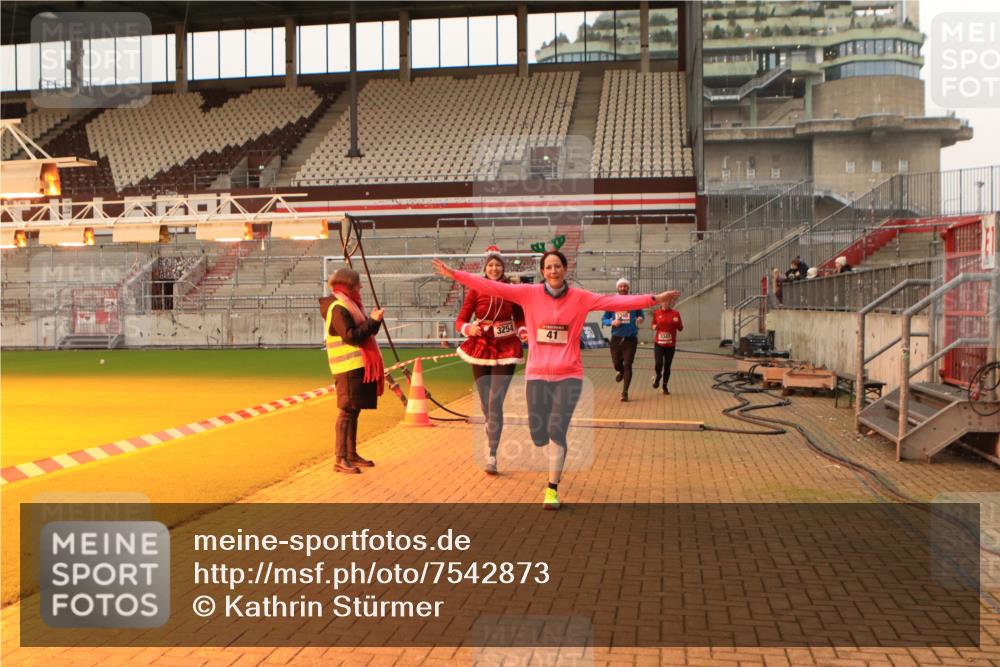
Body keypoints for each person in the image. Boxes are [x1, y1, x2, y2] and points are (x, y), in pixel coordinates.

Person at [432, 252, 680, 510]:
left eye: (557, 266)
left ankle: (552, 488)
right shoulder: (528, 294)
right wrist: (455, 275)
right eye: (548, 267)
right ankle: (542, 440)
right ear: (542, 271)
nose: (553, 271)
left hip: (569, 374)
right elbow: (490, 285)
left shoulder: (581, 298)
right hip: (537, 373)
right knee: (539, 434)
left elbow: (615, 300)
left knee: (556, 430)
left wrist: (654, 299)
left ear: (565, 269)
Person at [454, 246, 527, 475]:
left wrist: (522, 330)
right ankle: (489, 425)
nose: (494, 268)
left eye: (497, 265)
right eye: (490, 265)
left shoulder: (511, 289)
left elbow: (520, 316)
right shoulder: (475, 290)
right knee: (485, 402)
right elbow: (460, 320)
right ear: (485, 268)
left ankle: (492, 454)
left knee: (495, 402)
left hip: (506, 348)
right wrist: (469, 328)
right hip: (481, 348)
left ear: (503, 267)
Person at [321, 268, 384, 474]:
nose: (361, 288)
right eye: (358, 284)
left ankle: (351, 453)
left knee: (353, 411)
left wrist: (374, 321)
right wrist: (373, 321)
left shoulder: (349, 305)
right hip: (347, 368)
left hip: (356, 366)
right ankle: (340, 458)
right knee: (347, 412)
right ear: (349, 285)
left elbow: (361, 333)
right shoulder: (338, 307)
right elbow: (352, 336)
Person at [600, 277, 645, 402]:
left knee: (628, 365)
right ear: (617, 288)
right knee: (617, 364)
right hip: (616, 339)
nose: (623, 288)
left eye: (625, 286)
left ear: (628, 288)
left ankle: (625, 392)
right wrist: (612, 321)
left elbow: (641, 314)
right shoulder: (612, 302)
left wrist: (640, 319)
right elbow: (603, 319)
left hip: (630, 339)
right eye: (621, 286)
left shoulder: (634, 302)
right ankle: (619, 371)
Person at [651, 302, 683, 395]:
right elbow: (653, 325)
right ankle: (658, 375)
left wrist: (677, 323)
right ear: (660, 303)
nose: (665, 304)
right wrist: (654, 327)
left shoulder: (675, 313)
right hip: (659, 343)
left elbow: (681, 328)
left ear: (669, 303)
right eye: (663, 302)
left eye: (667, 302)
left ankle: (664, 386)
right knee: (658, 363)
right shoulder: (657, 313)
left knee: (667, 366)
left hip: (670, 345)